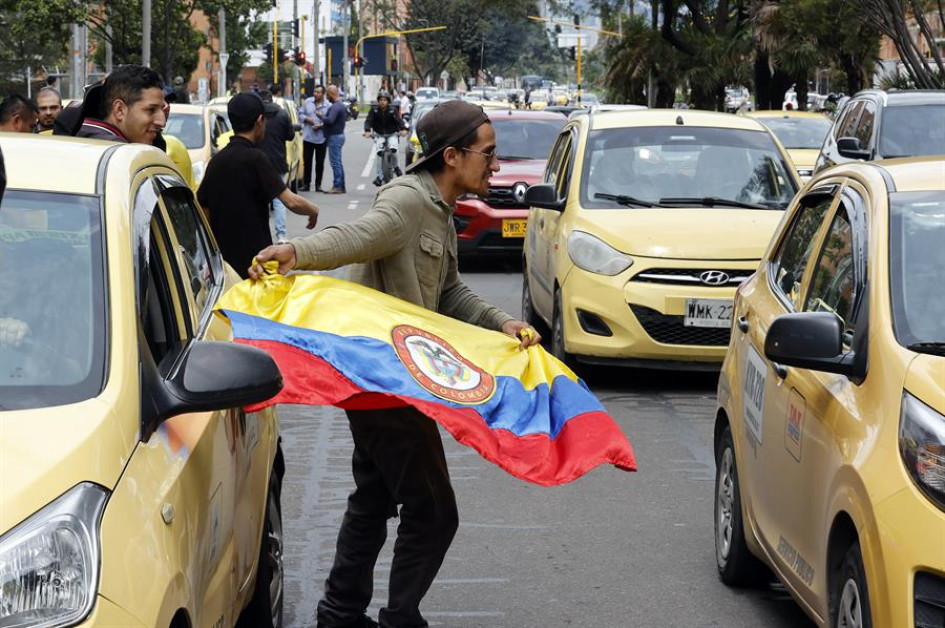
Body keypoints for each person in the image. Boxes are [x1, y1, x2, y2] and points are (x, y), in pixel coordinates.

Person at [249, 100, 541, 628]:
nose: (495, 165)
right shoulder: (407, 201)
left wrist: (501, 322)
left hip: (397, 383)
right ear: (452, 156)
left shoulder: (441, 208)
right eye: (488, 154)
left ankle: (340, 613)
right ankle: (399, 619)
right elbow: (358, 236)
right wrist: (296, 252)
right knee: (434, 513)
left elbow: (448, 291)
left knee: (373, 498)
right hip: (385, 386)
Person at [197, 92, 318, 278]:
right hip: (257, 264)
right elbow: (291, 201)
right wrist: (313, 211)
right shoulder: (256, 159)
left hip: (223, 267)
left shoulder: (216, 161)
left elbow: (203, 208)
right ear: (260, 121)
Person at [74, 64, 166, 144]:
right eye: (151, 110)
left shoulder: (77, 136)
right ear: (120, 110)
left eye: (162, 109)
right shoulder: (121, 153)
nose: (162, 122)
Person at [258, 90, 295, 243]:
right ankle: (281, 235)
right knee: (279, 200)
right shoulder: (282, 114)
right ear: (271, 99)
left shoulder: (257, 116)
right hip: (278, 162)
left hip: (259, 163)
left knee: (260, 201)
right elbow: (290, 136)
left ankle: (262, 234)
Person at [363, 90, 407, 187]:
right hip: (379, 134)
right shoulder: (374, 110)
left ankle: (396, 167)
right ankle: (379, 177)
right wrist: (367, 131)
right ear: (378, 101)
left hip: (392, 134)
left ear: (388, 101)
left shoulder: (393, 110)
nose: (382, 102)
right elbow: (368, 121)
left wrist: (403, 129)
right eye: (381, 100)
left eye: (385, 100)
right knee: (379, 153)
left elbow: (399, 121)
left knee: (394, 149)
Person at [299, 84, 329, 192]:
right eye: (315, 92)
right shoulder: (308, 102)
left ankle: (318, 185)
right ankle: (306, 184)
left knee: (320, 162)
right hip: (308, 137)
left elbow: (330, 121)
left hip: (321, 138)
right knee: (307, 162)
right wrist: (307, 119)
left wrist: (321, 125)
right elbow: (300, 113)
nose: (315, 94)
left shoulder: (328, 105)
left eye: (318, 92)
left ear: (323, 94)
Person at [318, 85, 347, 194]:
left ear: (331, 94)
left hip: (335, 137)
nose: (327, 97)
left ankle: (337, 186)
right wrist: (322, 126)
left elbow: (330, 120)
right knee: (338, 162)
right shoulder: (340, 105)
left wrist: (321, 116)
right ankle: (341, 186)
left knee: (335, 163)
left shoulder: (336, 106)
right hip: (338, 135)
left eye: (327, 95)